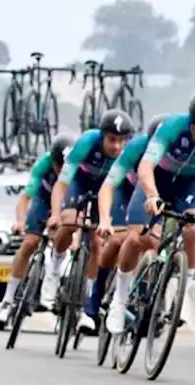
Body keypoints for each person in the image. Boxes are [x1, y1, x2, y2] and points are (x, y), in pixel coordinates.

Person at [105, 88, 195, 335]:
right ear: (193, 121)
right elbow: (146, 166)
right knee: (138, 239)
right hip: (157, 181)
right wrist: (152, 195)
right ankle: (119, 300)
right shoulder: (172, 127)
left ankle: (181, 297)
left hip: (189, 186)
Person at [42, 108, 135, 331]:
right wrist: (55, 214)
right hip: (80, 182)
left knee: (96, 243)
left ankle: (86, 306)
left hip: (107, 189)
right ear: (102, 135)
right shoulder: (86, 143)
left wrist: (109, 220)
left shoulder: (127, 153)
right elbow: (61, 184)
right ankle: (54, 270)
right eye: (112, 140)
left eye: (122, 141)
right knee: (70, 221)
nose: (116, 146)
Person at [89, 113, 170, 330]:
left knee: (153, 243)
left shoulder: (180, 154)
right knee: (116, 240)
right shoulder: (135, 148)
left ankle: (150, 301)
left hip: (155, 194)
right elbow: (109, 186)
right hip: (127, 192)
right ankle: (95, 297)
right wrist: (105, 220)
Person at [0, 133, 74, 324]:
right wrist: (20, 221)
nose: (62, 170)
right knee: (29, 243)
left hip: (66, 202)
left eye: (65, 167)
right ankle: (7, 300)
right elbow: (25, 197)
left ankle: (54, 274)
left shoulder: (78, 166)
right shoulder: (43, 164)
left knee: (60, 235)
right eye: (58, 166)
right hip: (43, 200)